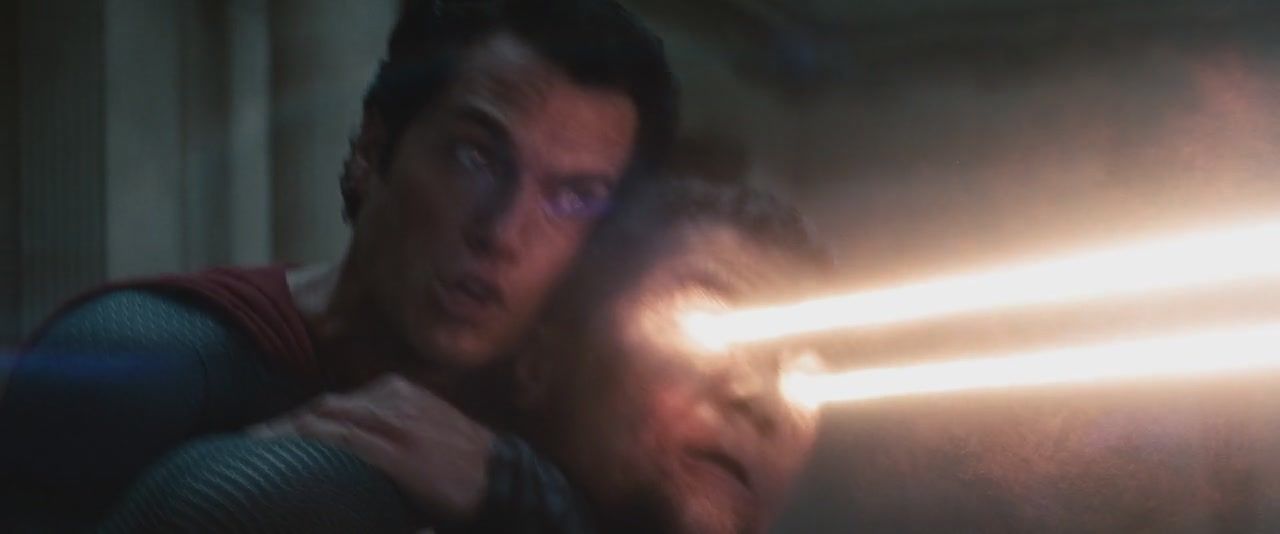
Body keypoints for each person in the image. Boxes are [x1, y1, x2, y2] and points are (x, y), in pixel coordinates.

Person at [0, 0, 676, 530]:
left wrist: (516, 494)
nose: (502, 232)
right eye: (474, 157)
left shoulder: (587, 417)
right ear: (372, 152)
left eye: (574, 198)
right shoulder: (156, 360)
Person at [97, 178, 834, 534]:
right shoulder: (311, 497)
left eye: (806, 368)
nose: (763, 397)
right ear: (541, 360)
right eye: (712, 322)